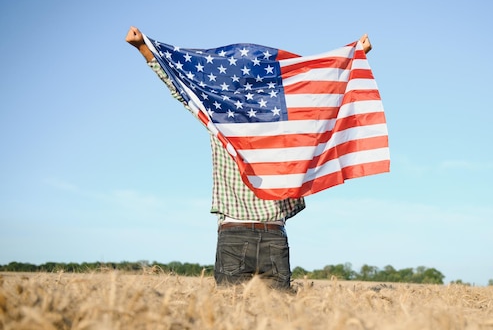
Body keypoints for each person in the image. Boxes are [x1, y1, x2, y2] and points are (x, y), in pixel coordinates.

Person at [125, 26, 372, 291]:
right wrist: (358, 54)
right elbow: (326, 96)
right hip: (274, 236)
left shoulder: (221, 124)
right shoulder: (287, 132)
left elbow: (180, 89)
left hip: (233, 234)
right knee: (280, 321)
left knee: (231, 317)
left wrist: (143, 48)